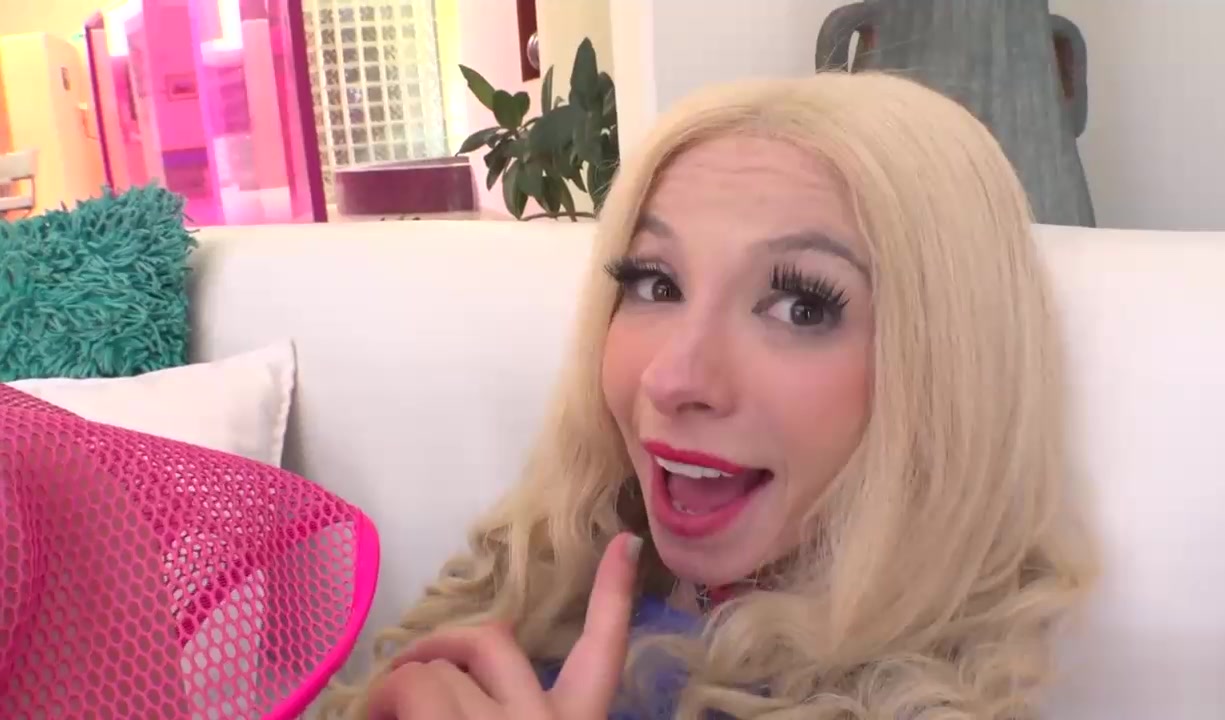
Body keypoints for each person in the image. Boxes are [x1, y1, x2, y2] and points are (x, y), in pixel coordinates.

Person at [316, 70, 1098, 720]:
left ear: (942, 368)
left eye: (801, 307)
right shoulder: (541, 581)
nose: (673, 378)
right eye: (656, 284)